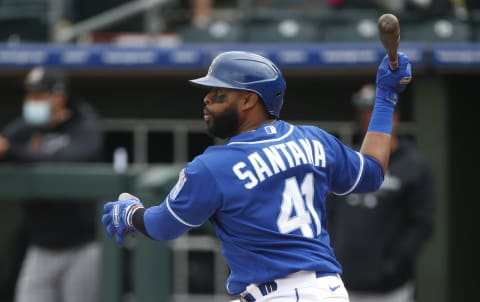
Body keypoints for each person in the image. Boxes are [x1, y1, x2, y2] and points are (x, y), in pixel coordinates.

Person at [102, 50, 412, 301]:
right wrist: (385, 98)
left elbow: (161, 226)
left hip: (283, 293)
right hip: (322, 290)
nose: (207, 99)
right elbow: (372, 172)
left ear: (250, 100)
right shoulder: (314, 139)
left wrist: (131, 213)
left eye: (219, 92)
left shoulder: (213, 166)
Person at [0, 66, 104, 302]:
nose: (31, 101)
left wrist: (15, 153)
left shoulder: (83, 123)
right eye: (29, 95)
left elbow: (71, 159)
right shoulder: (28, 125)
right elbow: (4, 143)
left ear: (59, 97)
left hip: (82, 245)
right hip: (40, 245)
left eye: (38, 95)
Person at [327, 84, 434, 302]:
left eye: (373, 114)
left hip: (389, 288)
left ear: (393, 117)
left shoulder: (413, 165)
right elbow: (329, 214)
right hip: (342, 283)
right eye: (363, 114)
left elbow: (422, 222)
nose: (367, 121)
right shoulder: (349, 159)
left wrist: (394, 262)